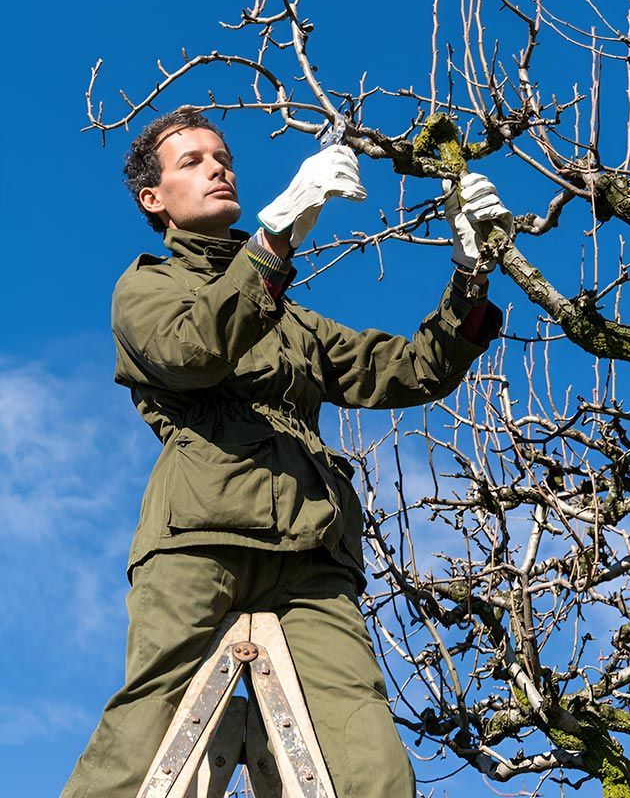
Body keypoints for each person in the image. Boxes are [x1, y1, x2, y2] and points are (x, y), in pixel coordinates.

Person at [61, 106, 510, 798]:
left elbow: (410, 369)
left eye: (223, 157)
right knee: (144, 729)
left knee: (370, 760)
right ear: (154, 201)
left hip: (313, 556)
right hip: (199, 539)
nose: (217, 167)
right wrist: (272, 243)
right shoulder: (146, 287)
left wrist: (470, 274)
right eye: (193, 161)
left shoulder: (289, 316)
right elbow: (192, 353)